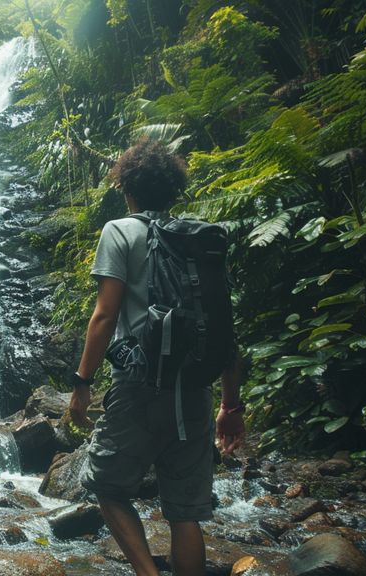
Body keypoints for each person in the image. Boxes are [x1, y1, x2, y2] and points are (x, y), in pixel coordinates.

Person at [67, 138, 245, 576]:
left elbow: (104, 315)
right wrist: (230, 404)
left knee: (107, 486)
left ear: (127, 189)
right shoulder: (201, 240)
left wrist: (82, 385)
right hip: (194, 390)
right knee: (185, 513)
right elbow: (223, 324)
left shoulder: (120, 231)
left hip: (140, 386)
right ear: (173, 191)